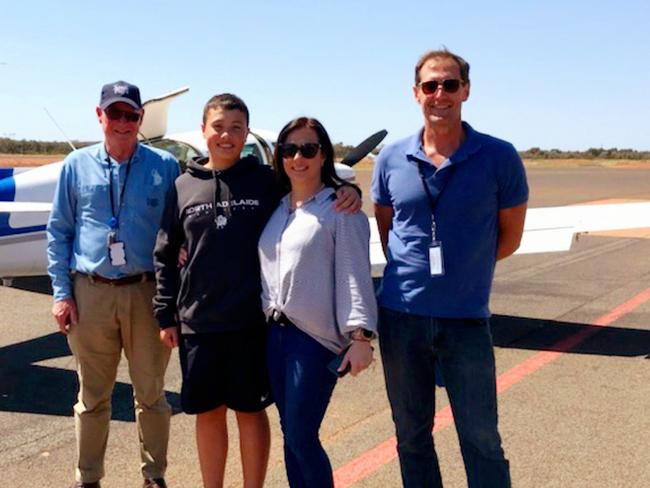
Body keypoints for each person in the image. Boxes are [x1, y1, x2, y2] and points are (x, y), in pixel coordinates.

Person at [152, 96, 361, 488]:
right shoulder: (182, 186)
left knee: (250, 412)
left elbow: (310, 188)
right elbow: (164, 252)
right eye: (218, 126)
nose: (226, 135)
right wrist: (165, 313)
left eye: (236, 127)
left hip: (253, 323)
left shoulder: (267, 181)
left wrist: (348, 191)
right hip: (198, 323)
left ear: (246, 132)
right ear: (204, 130)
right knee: (208, 413)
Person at [371, 49, 529, 488]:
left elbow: (509, 237)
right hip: (401, 318)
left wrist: (466, 269)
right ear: (415, 93)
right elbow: (388, 230)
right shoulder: (391, 158)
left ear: (466, 90)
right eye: (430, 85)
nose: (440, 94)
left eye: (450, 84)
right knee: (411, 436)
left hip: (466, 320)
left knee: (481, 438)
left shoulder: (499, 157)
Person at [47, 81, 180, 488]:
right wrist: (61, 294)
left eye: (131, 115)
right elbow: (59, 232)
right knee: (92, 397)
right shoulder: (76, 165)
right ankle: (88, 478)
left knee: (152, 395)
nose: (123, 122)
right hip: (91, 292)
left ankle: (154, 476)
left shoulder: (164, 166)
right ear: (99, 115)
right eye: (115, 113)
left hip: (146, 292)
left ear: (141, 120)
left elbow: (178, 234)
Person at [258, 117, 378, 488]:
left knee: (301, 436)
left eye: (308, 149)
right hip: (273, 337)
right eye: (289, 149)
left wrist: (361, 337)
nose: (298, 157)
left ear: (323, 155)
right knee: (290, 433)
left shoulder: (340, 210)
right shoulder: (277, 207)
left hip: (312, 340)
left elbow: (354, 273)